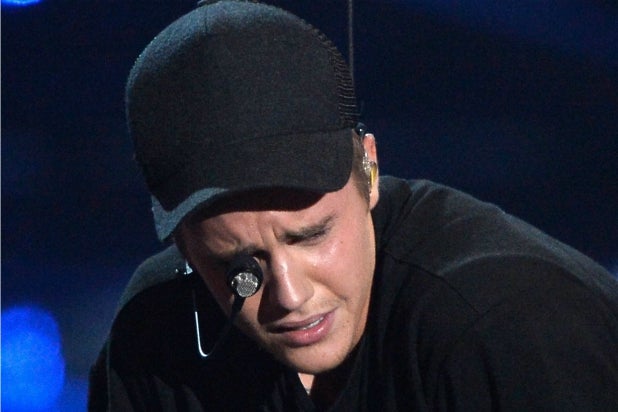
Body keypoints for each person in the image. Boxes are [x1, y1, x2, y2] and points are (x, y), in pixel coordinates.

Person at [89, 1, 618, 410]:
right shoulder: (154, 335)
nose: (290, 296)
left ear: (370, 170)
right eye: (238, 266)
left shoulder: (510, 326)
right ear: (185, 248)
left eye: (311, 235)